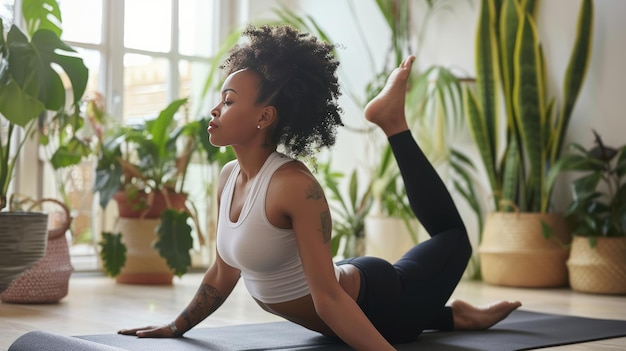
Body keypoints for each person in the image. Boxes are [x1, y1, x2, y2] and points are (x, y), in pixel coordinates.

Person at [118, 25, 521, 350]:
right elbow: (224, 271)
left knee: (454, 238)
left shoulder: (293, 185)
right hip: (351, 296)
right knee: (424, 292)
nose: (214, 109)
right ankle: (456, 316)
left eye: (228, 100)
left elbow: (328, 301)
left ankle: (393, 124)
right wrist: (176, 326)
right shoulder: (228, 177)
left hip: (382, 305)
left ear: (265, 117)